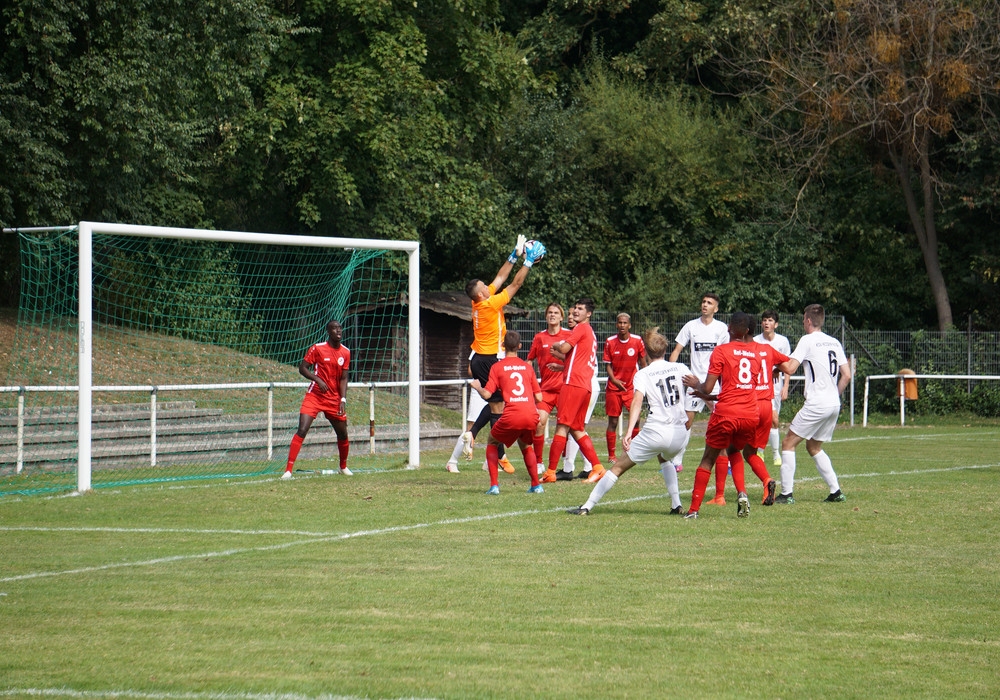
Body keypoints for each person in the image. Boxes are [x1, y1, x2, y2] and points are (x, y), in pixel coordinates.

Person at [681, 312, 794, 519]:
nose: (727, 329)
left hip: (726, 413)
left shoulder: (722, 351)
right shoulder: (760, 352)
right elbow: (744, 385)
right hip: (750, 414)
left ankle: (693, 510)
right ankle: (742, 493)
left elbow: (707, 386)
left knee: (708, 458)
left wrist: (696, 385)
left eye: (730, 326)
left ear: (731, 329)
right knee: (737, 449)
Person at [569, 328, 691, 515]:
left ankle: (586, 506)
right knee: (664, 458)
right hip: (679, 435)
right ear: (665, 350)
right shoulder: (681, 368)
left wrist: (628, 432)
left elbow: (637, 402)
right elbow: (699, 387)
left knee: (617, 467)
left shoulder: (644, 374)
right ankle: (676, 504)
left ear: (647, 353)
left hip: (657, 431)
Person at [465, 238, 545, 473]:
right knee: (498, 406)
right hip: (490, 358)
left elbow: (500, 278)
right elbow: (514, 285)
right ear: (481, 293)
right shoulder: (489, 305)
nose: (488, 285)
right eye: (484, 285)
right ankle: (499, 454)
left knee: (495, 403)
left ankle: (472, 433)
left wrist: (512, 256)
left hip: (479, 358)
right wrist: (527, 262)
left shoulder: (477, 302)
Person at [776, 304, 851, 504]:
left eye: (803, 319)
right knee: (813, 446)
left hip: (817, 403)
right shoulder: (834, 342)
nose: (803, 322)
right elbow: (847, 375)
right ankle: (836, 492)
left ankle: (786, 494)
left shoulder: (807, 340)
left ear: (808, 320)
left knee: (788, 443)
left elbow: (790, 368)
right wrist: (833, 395)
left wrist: (772, 359)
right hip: (833, 404)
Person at [669, 292, 730, 501]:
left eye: (709, 303)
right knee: (686, 421)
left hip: (713, 383)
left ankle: (726, 462)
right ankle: (677, 460)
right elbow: (677, 349)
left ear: (716, 308)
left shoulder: (721, 329)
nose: (705, 305)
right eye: (703, 301)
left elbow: (724, 356)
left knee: (721, 424)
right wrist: (672, 369)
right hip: (694, 382)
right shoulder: (691, 326)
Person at [540, 298, 607, 484]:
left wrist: (556, 346)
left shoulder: (581, 329)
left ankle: (550, 472)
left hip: (573, 384)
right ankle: (598, 467)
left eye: (580, 309)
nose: (576, 311)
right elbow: (575, 357)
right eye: (575, 308)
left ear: (589, 314)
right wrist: (561, 358)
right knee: (577, 429)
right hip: (584, 384)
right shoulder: (590, 332)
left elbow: (564, 347)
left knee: (562, 426)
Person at [469, 331, 545, 495]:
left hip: (512, 414)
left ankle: (494, 486)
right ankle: (536, 485)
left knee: (492, 442)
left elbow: (488, 395)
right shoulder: (527, 367)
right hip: (531, 414)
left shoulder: (497, 367)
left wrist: (477, 386)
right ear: (519, 346)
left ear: (503, 346)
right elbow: (539, 397)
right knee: (526, 446)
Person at [727, 316, 791, 506]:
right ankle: (767, 481)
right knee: (750, 452)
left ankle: (742, 493)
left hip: (749, 404)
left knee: (732, 449)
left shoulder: (741, 351)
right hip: (767, 406)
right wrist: (774, 371)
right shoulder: (767, 349)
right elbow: (788, 367)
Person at [282, 319, 351, 479]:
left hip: (334, 399)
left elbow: (343, 378)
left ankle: (343, 467)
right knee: (302, 429)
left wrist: (343, 399)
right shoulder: (318, 348)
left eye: (340, 328)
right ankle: (288, 470)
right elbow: (302, 368)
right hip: (315, 396)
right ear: (328, 331)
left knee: (343, 434)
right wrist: (318, 380)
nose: (338, 331)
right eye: (334, 329)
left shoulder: (346, 352)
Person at [527, 303, 571, 476]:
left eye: (556, 313)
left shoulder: (569, 336)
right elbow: (529, 360)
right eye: (549, 313)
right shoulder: (539, 338)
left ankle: (570, 462)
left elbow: (575, 361)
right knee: (538, 422)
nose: (552, 315)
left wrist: (561, 368)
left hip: (565, 390)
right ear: (546, 317)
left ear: (561, 317)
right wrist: (529, 380)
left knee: (568, 426)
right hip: (545, 390)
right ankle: (538, 462)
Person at [603, 312, 648, 464]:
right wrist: (614, 380)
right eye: (619, 323)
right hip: (614, 388)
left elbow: (643, 363)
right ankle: (611, 456)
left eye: (625, 323)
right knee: (613, 422)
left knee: (635, 421)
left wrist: (645, 381)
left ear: (629, 325)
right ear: (617, 324)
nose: (622, 325)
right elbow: (608, 365)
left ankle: (633, 452)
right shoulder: (610, 341)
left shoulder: (637, 341)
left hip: (631, 388)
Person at [753, 310, 792, 466]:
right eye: (764, 320)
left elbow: (787, 364)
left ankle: (775, 454)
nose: (766, 323)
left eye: (770, 320)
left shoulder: (782, 341)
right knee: (761, 420)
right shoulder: (755, 341)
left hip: (775, 386)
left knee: (774, 420)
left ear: (776, 324)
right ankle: (760, 452)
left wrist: (786, 386)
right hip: (758, 387)